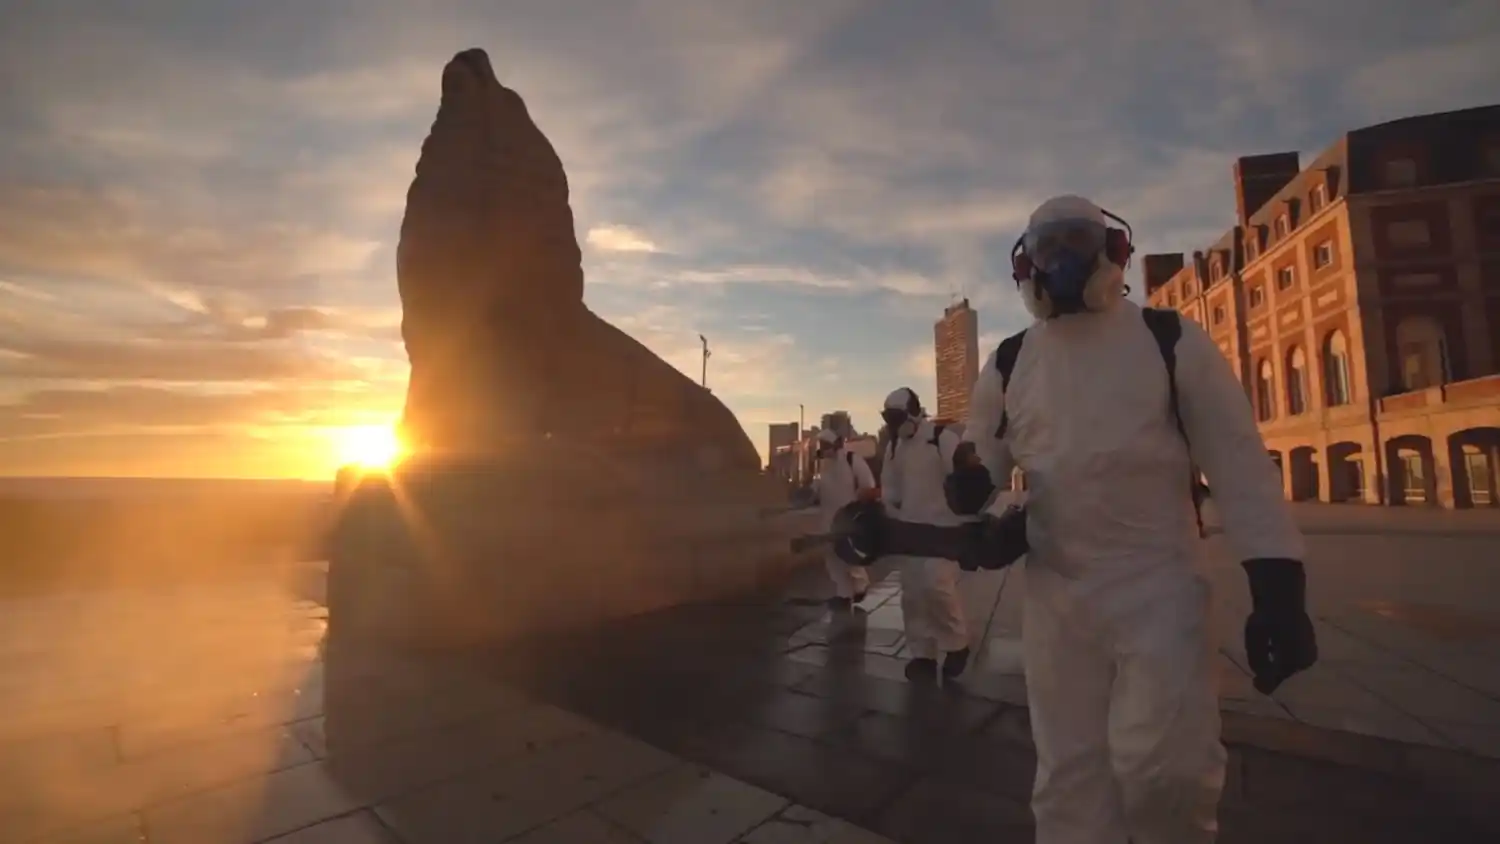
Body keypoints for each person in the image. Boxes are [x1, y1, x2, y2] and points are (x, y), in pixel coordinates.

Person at [946, 195, 1316, 844]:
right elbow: (984, 463)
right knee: (1068, 781)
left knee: (1166, 772)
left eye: (1075, 241)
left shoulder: (1168, 340)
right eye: (1047, 246)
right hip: (1057, 598)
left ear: (1113, 251)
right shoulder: (1010, 361)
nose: (1060, 260)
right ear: (1024, 265)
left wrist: (1278, 589)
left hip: (1160, 588)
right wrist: (971, 490)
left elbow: (1239, 465)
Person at [879, 387, 972, 681]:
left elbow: (963, 480)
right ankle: (922, 655)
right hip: (908, 530)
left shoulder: (941, 438)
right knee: (913, 595)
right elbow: (890, 486)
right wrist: (889, 505)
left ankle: (957, 644)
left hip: (941, 530)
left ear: (914, 411)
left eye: (897, 417)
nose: (894, 425)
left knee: (937, 588)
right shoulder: (895, 447)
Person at [813, 428, 877, 609]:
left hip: (849, 517)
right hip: (828, 517)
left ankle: (860, 586)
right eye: (821, 445)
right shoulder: (823, 465)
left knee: (849, 556)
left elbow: (868, 485)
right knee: (832, 558)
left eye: (826, 445)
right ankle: (843, 593)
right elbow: (818, 486)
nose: (823, 449)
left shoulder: (852, 459)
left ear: (836, 444)